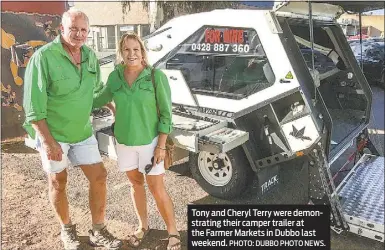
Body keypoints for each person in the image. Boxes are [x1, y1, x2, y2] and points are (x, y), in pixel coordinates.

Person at [22, 8, 122, 250]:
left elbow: (95, 90)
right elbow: (33, 107)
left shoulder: (89, 56)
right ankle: (67, 230)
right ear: (62, 30)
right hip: (52, 133)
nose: (79, 34)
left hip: (82, 131)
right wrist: (47, 141)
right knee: (58, 181)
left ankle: (98, 230)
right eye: (74, 29)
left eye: (83, 30)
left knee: (99, 176)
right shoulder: (44, 58)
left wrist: (114, 106)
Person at [93, 32, 181, 250]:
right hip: (123, 142)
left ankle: (173, 232)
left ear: (142, 52)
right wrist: (77, 95)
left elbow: (166, 116)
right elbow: (101, 98)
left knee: (157, 188)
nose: (131, 54)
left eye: (136, 49)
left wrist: (161, 145)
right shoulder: (115, 77)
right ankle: (143, 226)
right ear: (121, 53)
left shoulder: (155, 76)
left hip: (151, 143)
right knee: (135, 184)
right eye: (127, 50)